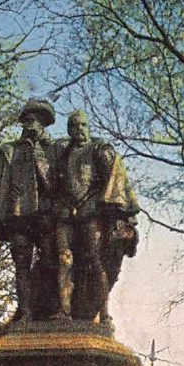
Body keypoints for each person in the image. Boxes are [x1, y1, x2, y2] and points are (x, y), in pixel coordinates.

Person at [53, 110, 139, 321]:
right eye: (74, 126)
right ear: (69, 130)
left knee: (96, 262)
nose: (79, 129)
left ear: (89, 127)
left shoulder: (99, 150)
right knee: (64, 260)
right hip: (66, 215)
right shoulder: (62, 155)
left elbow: (112, 181)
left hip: (91, 214)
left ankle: (104, 312)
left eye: (83, 125)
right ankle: (63, 310)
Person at [0, 98, 57, 320]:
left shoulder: (55, 149)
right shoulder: (10, 151)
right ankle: (25, 312)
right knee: (21, 265)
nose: (27, 126)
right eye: (25, 121)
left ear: (43, 123)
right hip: (19, 215)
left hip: (47, 216)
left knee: (51, 261)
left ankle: (52, 310)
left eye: (32, 121)